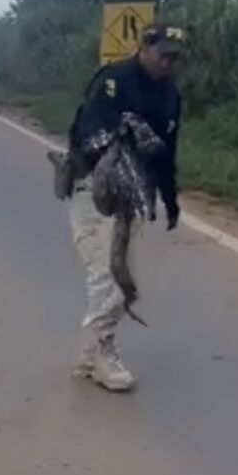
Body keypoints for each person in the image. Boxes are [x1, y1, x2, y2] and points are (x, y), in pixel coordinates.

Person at [64, 23, 184, 391]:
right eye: (162, 53)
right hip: (94, 188)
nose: (168, 62)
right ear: (143, 48)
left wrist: (170, 198)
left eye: (174, 57)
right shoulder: (114, 81)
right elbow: (89, 134)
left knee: (116, 274)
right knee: (108, 274)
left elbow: (166, 152)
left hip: (133, 196)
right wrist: (124, 147)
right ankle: (102, 351)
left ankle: (89, 355)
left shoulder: (170, 95)